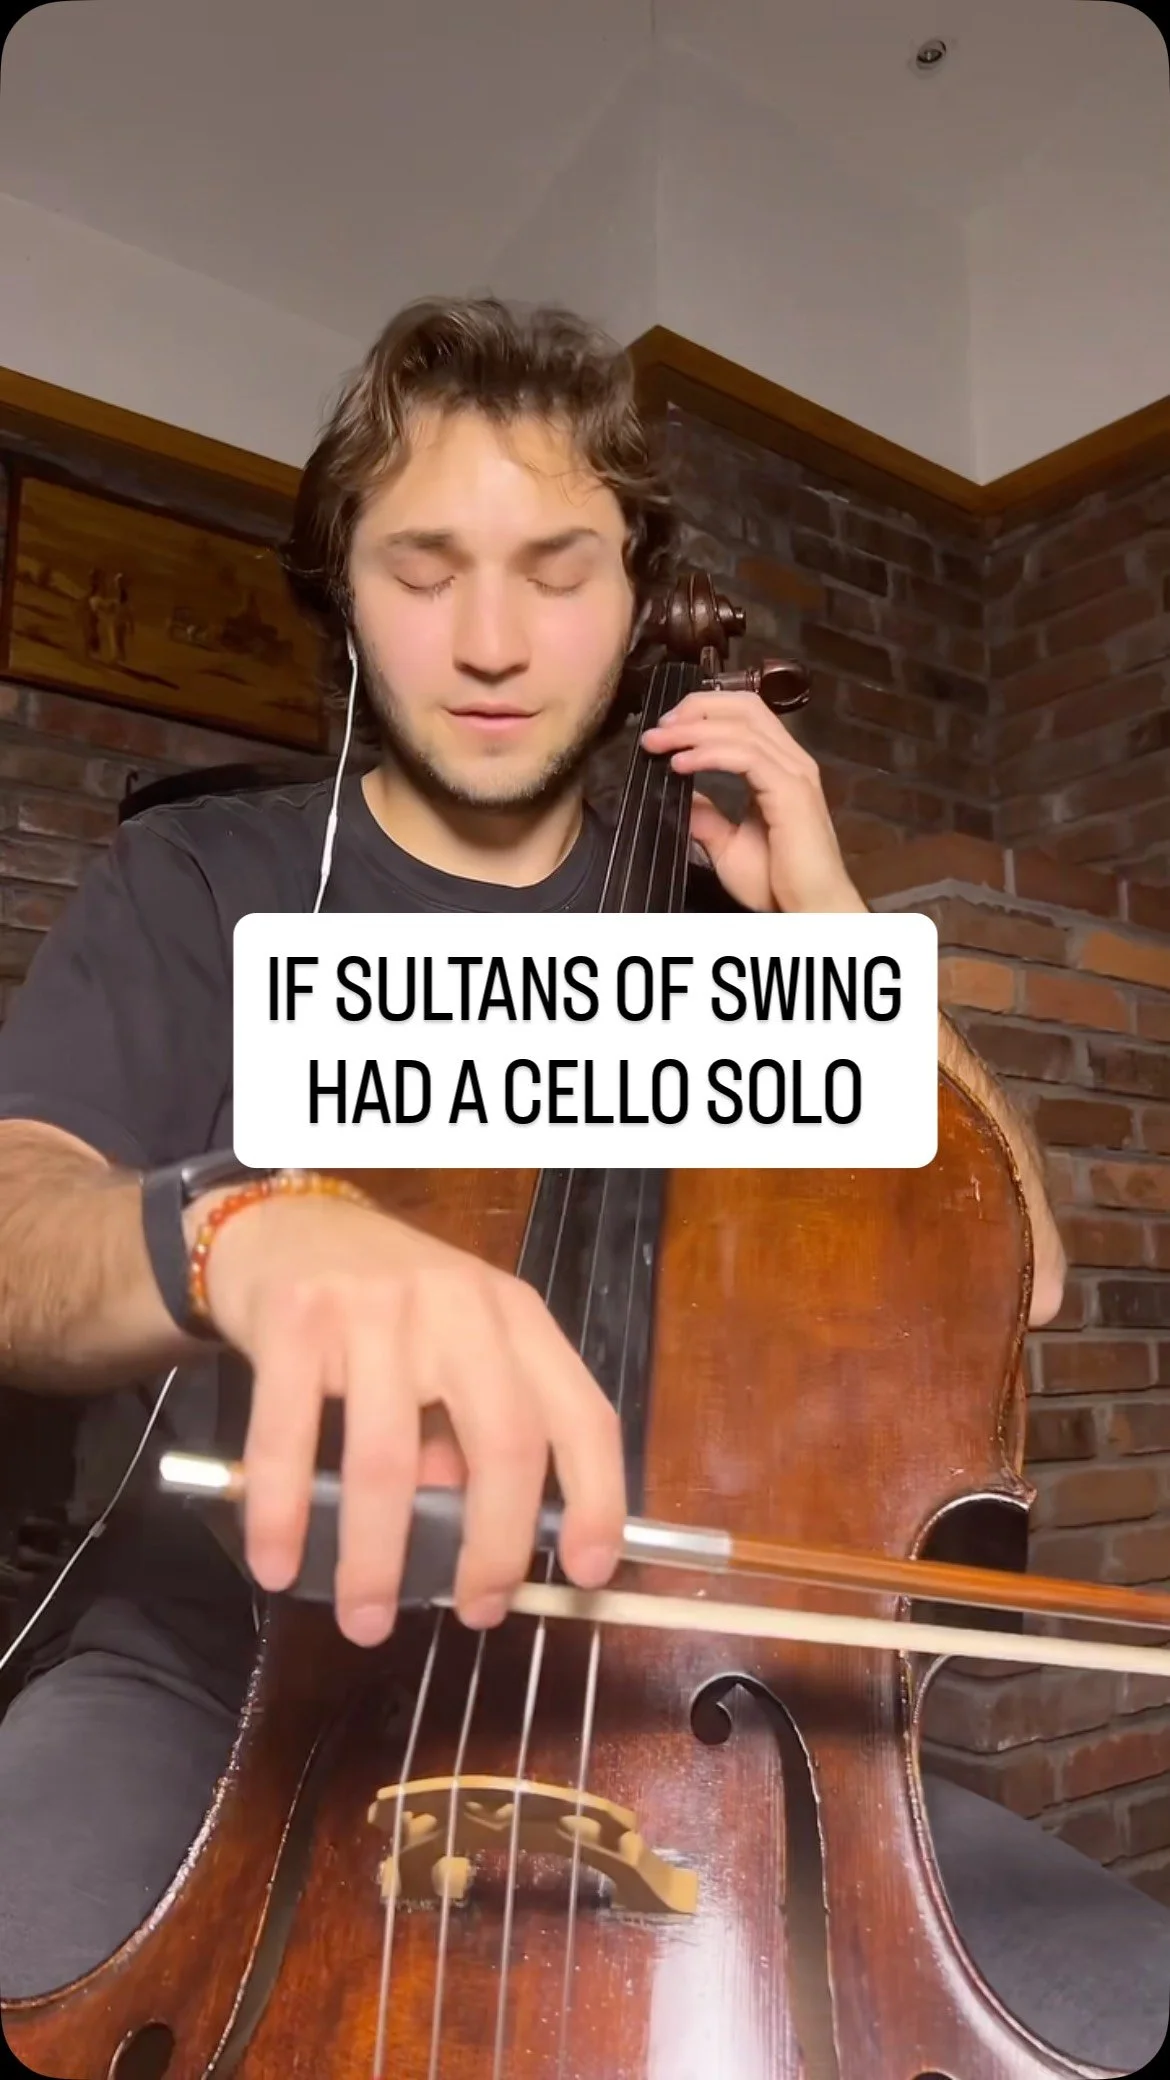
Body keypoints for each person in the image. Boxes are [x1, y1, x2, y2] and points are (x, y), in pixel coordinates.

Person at [0, 296, 1164, 2072]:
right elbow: (18, 1231)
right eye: (422, 568)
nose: (489, 641)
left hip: (696, 1708)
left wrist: (832, 930)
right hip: (218, 1673)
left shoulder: (711, 925)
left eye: (556, 572)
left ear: (634, 601)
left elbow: (1020, 1275)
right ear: (341, 594)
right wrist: (243, 1230)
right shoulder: (199, 882)